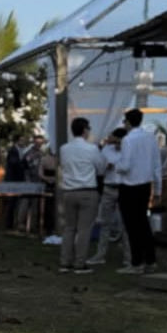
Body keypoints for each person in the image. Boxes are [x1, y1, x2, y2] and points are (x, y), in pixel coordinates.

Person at [115, 106, 162, 274]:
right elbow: (157, 165)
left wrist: (117, 166)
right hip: (145, 185)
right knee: (143, 223)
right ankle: (150, 259)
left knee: (132, 226)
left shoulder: (128, 140)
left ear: (127, 122)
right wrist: (157, 191)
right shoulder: (151, 138)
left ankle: (137, 262)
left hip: (129, 186)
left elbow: (126, 165)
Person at [57, 116, 105, 274]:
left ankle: (65, 262)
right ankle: (80, 263)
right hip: (87, 191)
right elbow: (100, 169)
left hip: (69, 191)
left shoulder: (64, 148)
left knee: (69, 228)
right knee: (84, 229)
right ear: (85, 131)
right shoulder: (91, 149)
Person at [86, 127, 130, 268]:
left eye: (119, 142)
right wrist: (106, 167)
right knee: (105, 222)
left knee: (126, 224)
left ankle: (128, 257)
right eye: (115, 141)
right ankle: (100, 254)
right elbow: (98, 169)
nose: (116, 144)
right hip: (109, 187)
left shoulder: (130, 150)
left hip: (124, 188)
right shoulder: (106, 150)